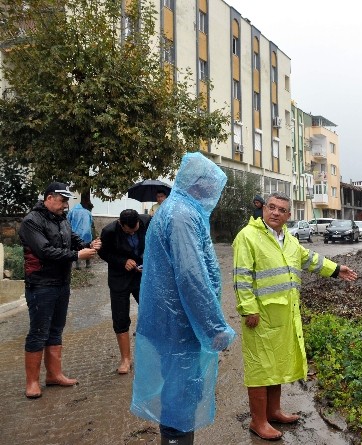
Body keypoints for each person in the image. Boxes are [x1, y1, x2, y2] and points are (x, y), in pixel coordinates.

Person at [233, 192, 358, 441]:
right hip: (260, 317)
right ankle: (258, 421)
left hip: (285, 315)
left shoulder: (288, 239)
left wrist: (336, 269)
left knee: (277, 364)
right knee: (260, 368)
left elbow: (309, 259)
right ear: (264, 209)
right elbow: (241, 275)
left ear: (289, 216)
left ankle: (274, 411)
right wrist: (249, 309)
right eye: (271, 207)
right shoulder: (248, 236)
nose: (276, 212)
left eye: (281, 210)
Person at [131, 152, 236, 445]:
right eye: (212, 186)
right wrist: (214, 328)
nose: (214, 193)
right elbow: (192, 277)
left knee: (181, 392)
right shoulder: (182, 216)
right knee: (180, 394)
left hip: (175, 323)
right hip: (180, 325)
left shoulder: (177, 209)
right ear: (199, 184)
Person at [19, 182, 101, 399]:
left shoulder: (61, 219)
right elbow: (44, 251)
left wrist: (88, 245)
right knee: (39, 332)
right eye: (62, 200)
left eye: (67, 201)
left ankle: (54, 375)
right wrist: (76, 256)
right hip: (41, 285)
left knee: (56, 330)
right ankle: (32, 382)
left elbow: (72, 240)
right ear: (48, 198)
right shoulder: (31, 222)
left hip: (61, 283)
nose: (66, 205)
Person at [98, 209, 151, 375]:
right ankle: (125, 359)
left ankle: (151, 355)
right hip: (119, 278)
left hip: (141, 276)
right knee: (120, 317)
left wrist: (148, 263)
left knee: (151, 312)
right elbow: (103, 252)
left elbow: (155, 244)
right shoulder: (109, 231)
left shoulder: (148, 222)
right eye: (128, 231)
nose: (132, 233)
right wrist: (122, 261)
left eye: (135, 230)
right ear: (121, 225)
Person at [66, 201, 94, 269]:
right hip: (87, 233)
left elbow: (67, 222)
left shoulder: (72, 211)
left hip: (75, 233)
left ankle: (78, 265)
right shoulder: (88, 212)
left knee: (76, 249)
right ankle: (88, 264)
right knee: (88, 247)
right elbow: (91, 223)